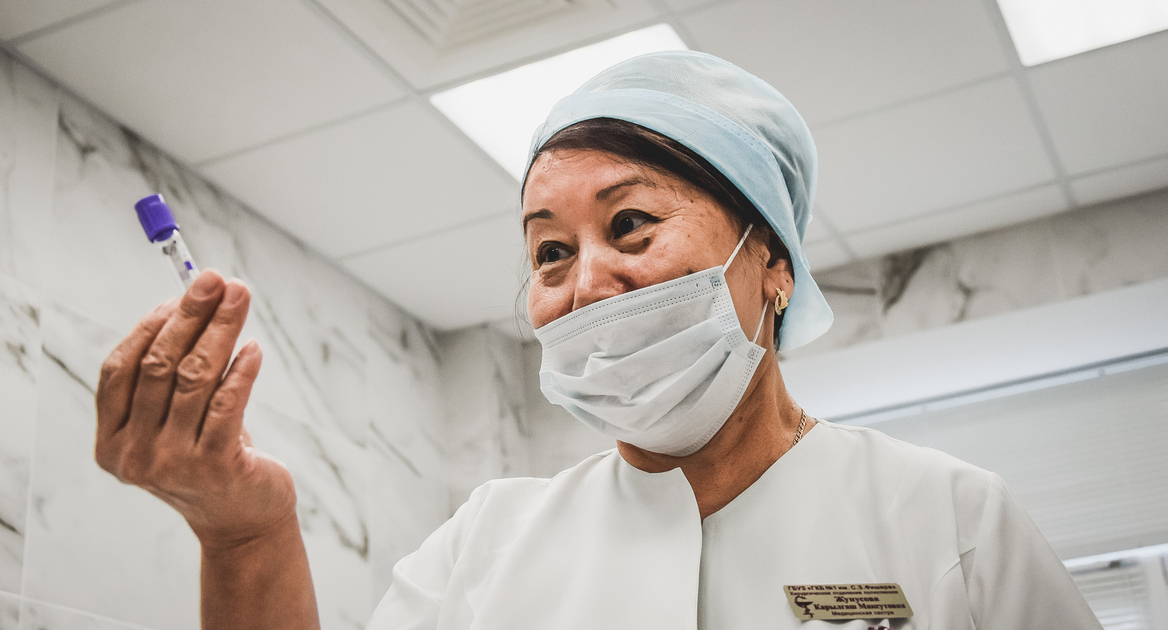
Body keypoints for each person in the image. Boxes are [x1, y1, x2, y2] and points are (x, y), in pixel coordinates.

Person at [94, 52, 1101, 629]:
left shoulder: (947, 521)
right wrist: (245, 535)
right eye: (548, 252)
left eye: (631, 225)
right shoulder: (487, 547)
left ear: (773, 263)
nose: (585, 284)